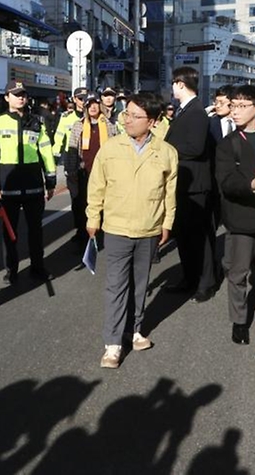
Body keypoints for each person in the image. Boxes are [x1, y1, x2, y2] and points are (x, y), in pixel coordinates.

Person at [85, 93, 178, 369]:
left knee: (141, 283)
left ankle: (134, 330)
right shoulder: (111, 148)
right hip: (116, 227)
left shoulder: (166, 152)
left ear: (152, 121)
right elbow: (96, 186)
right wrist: (93, 217)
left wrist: (167, 223)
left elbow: (169, 194)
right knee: (116, 285)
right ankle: (112, 343)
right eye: (126, 114)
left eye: (135, 116)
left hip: (149, 228)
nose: (127, 120)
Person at [215, 85, 255, 346]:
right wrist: (251, 184)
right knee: (238, 273)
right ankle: (239, 322)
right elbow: (226, 182)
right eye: (233, 106)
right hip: (242, 217)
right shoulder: (228, 144)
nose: (235, 112)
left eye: (242, 106)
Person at [0, 79, 57, 284]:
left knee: (36, 231)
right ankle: (11, 269)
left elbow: (46, 152)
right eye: (16, 94)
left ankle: (38, 267)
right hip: (8, 188)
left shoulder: (37, 122)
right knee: (10, 233)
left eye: (23, 94)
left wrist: (50, 181)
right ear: (7, 97)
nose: (21, 98)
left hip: (34, 185)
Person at [164, 67, 218, 301]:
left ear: (180, 84)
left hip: (196, 185)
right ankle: (190, 277)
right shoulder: (185, 110)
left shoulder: (196, 112)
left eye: (173, 83)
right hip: (185, 184)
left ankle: (206, 283)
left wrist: (167, 151)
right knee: (185, 237)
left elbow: (195, 148)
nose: (172, 88)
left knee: (199, 237)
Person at [63, 94, 118, 244]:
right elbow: (73, 148)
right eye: (90, 104)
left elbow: (117, 147)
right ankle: (83, 234)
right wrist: (72, 171)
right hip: (84, 172)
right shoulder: (78, 125)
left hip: (106, 171)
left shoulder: (110, 124)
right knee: (82, 204)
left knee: (107, 204)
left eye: (96, 104)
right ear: (85, 107)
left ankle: (106, 234)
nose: (93, 107)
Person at [53, 87, 87, 157]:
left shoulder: (93, 116)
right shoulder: (66, 117)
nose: (83, 101)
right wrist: (55, 153)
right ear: (74, 99)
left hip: (88, 153)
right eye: (80, 99)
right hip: (70, 154)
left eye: (86, 99)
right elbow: (59, 136)